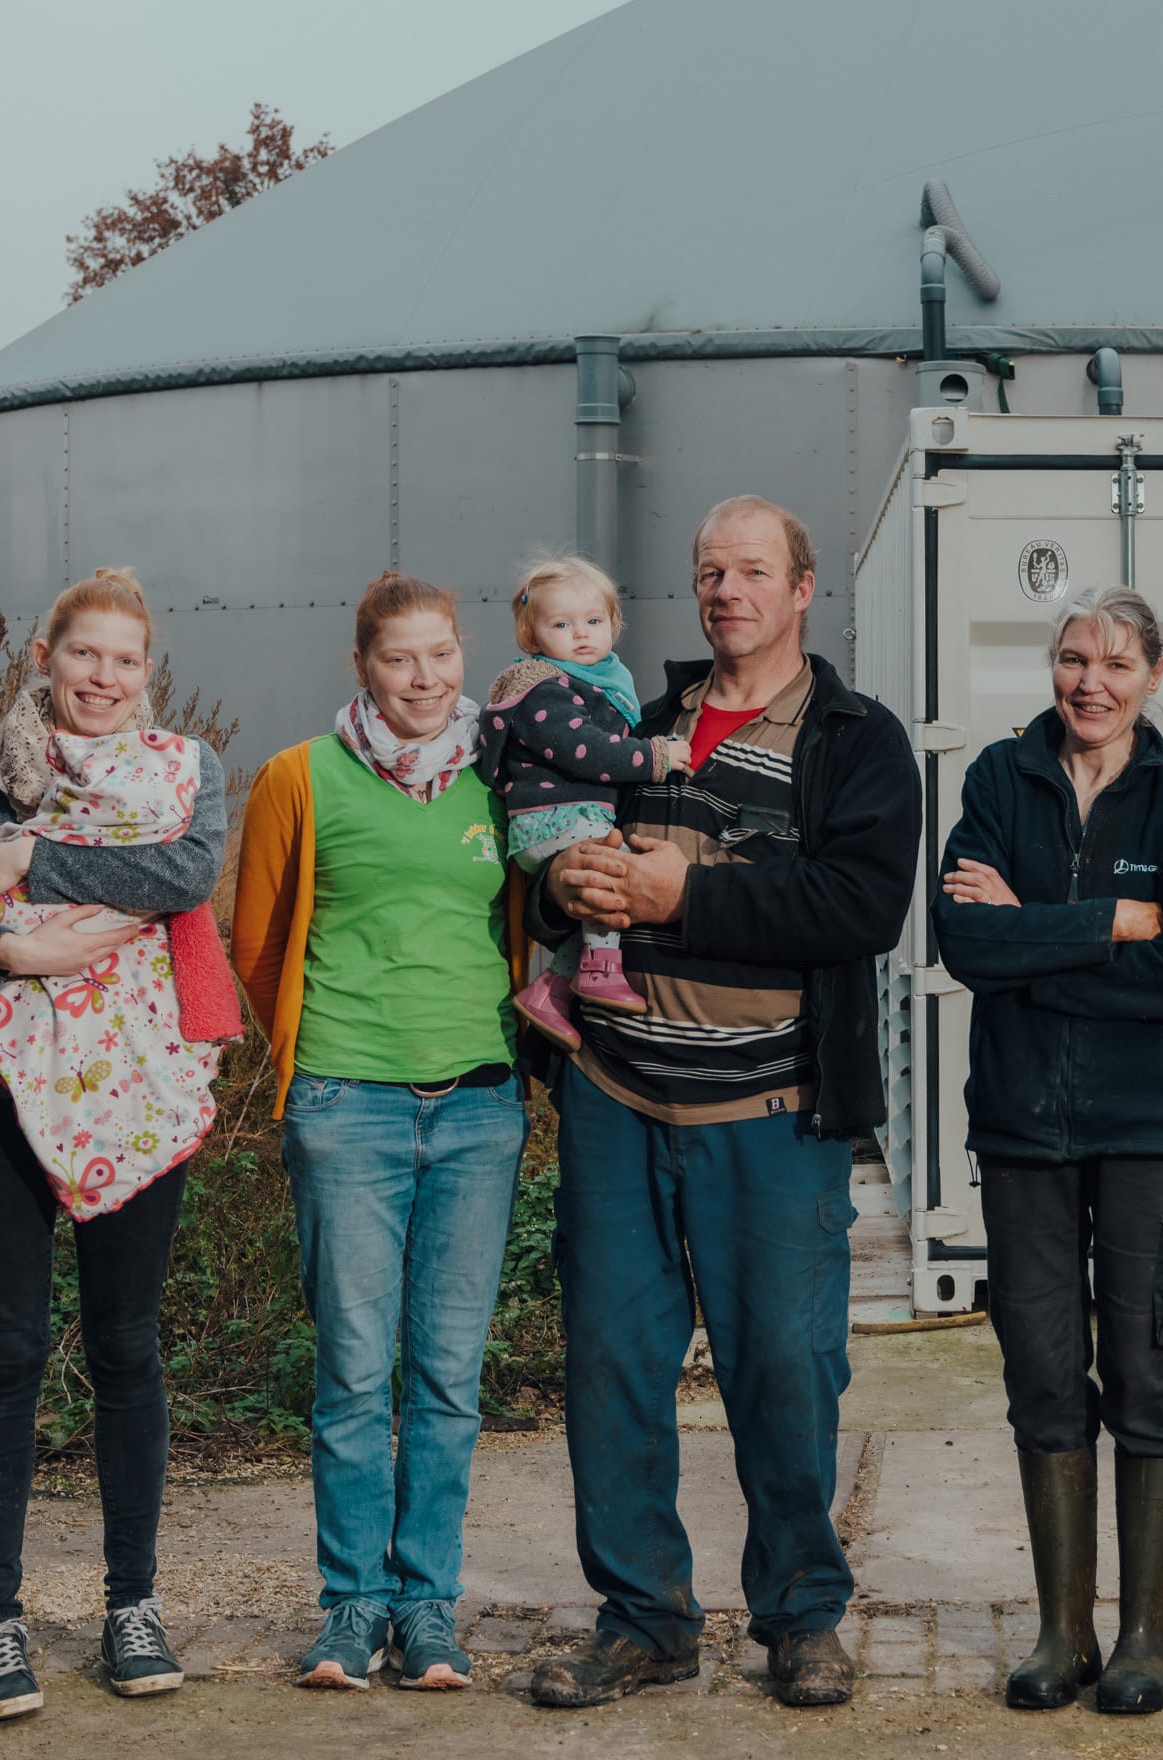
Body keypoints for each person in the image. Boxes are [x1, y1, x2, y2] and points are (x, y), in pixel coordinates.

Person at [523, 495, 917, 1710]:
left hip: (769, 1111)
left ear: (803, 589)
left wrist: (675, 893)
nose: (726, 590)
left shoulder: (854, 738)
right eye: (708, 571)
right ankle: (645, 1616)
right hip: (617, 1094)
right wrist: (562, 878)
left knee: (787, 1371)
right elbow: (554, 858)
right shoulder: (639, 723)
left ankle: (800, 1613)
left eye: (752, 569)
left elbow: (860, 906)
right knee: (613, 1367)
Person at [0, 566, 237, 1723]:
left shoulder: (183, 771)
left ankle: (133, 1603)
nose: (104, 676)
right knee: (8, 1348)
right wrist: (10, 955)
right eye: (85, 654)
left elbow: (184, 872)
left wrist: (28, 861)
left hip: (135, 1083)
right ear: (45, 656)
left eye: (126, 659)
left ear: (147, 673)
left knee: (127, 1343)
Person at [932, 587, 1163, 1716]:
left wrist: (1035, 934)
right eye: (1071, 659)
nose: (1089, 682)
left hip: (1153, 1128)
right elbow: (967, 939)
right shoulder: (997, 779)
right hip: (1023, 1127)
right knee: (1043, 1373)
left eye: (1114, 661)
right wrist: (1112, 919)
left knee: (1148, 1376)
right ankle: (1064, 1632)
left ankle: (1145, 1637)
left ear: (1157, 670)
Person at [230, 571, 529, 1693]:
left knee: (448, 1376)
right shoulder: (299, 777)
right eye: (401, 657)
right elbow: (258, 943)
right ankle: (352, 1606)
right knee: (356, 1371)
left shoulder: (499, 778)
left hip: (478, 1105)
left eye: (443, 654)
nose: (426, 677)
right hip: (346, 1104)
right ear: (361, 664)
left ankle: (430, 1608)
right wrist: (321, 1061)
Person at [480, 554, 691, 1049]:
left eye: (594, 621)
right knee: (610, 872)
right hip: (552, 818)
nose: (581, 634)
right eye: (562, 624)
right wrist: (654, 757)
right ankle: (600, 970)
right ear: (533, 637)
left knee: (590, 897)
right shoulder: (543, 688)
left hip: (568, 816)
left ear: (613, 624)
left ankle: (551, 990)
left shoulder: (596, 680)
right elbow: (586, 751)